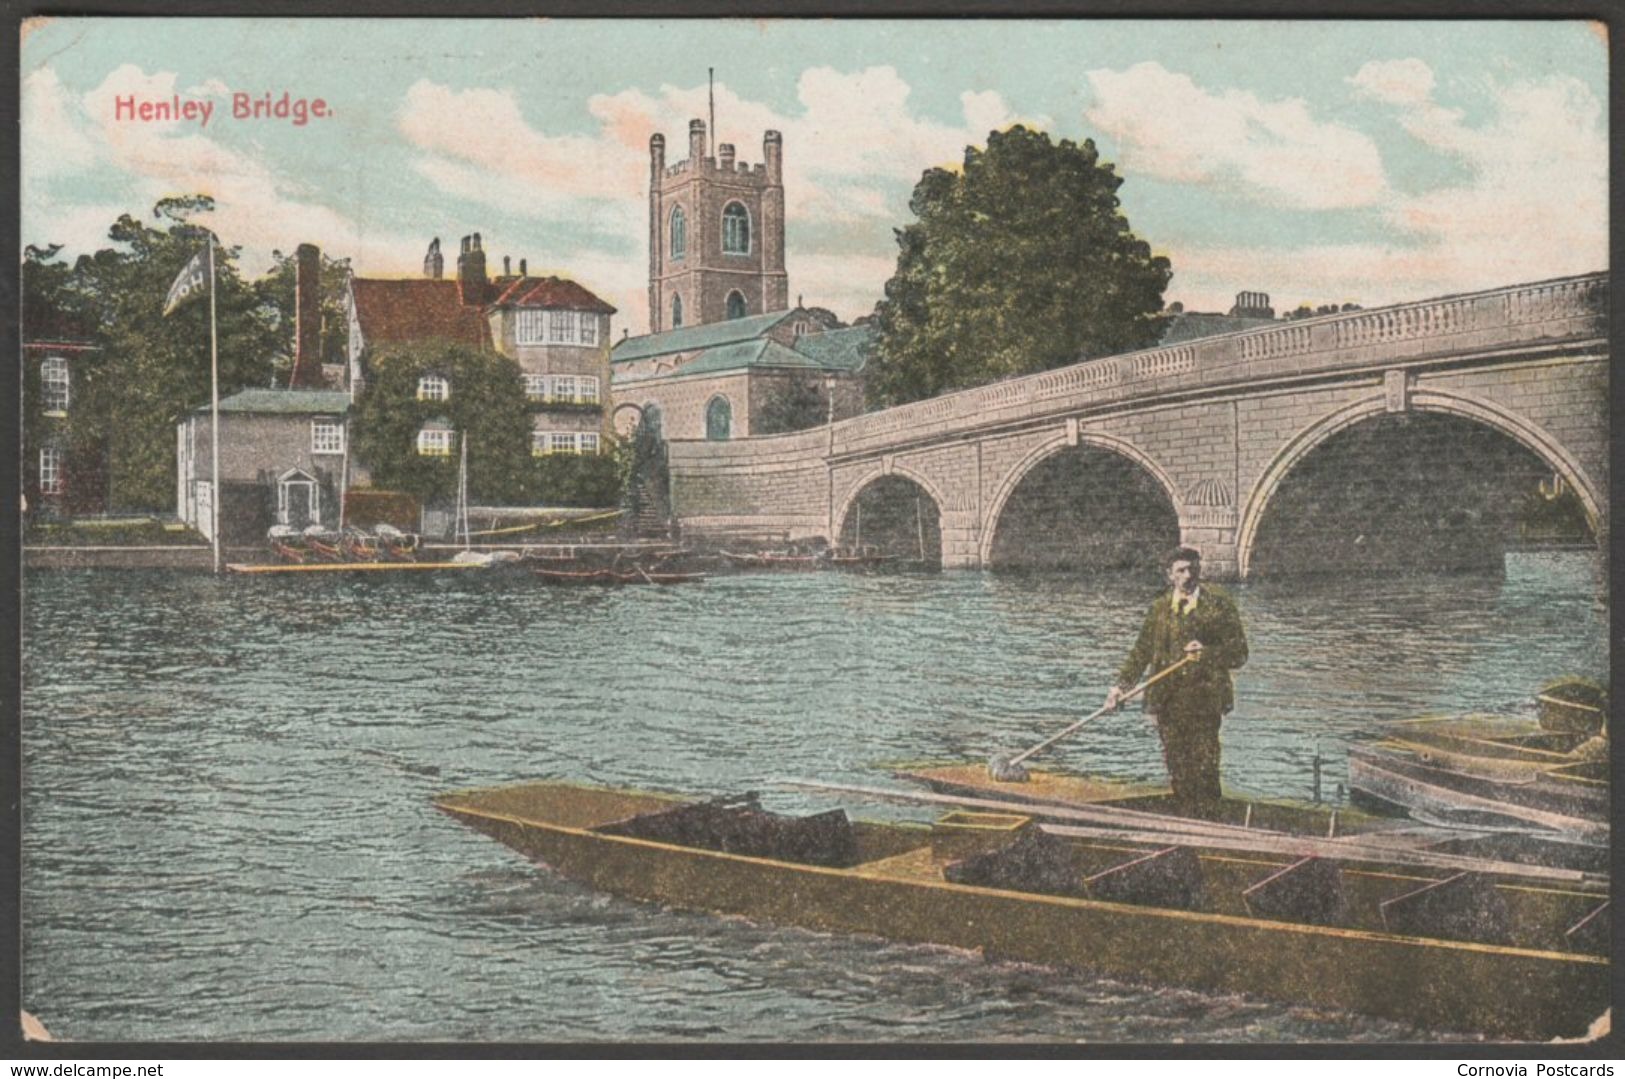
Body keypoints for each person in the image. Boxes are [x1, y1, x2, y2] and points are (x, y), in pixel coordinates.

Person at [1105, 546, 1248, 817]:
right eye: (1181, 571)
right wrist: (1120, 687)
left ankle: (1209, 824)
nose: (1188, 576)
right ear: (1169, 575)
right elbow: (1140, 652)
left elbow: (1240, 653)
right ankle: (1185, 823)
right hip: (1167, 702)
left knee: (1205, 767)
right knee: (1178, 768)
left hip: (1206, 702)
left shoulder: (1219, 606)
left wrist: (1207, 654)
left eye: (1193, 570)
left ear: (1200, 571)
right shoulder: (1159, 609)